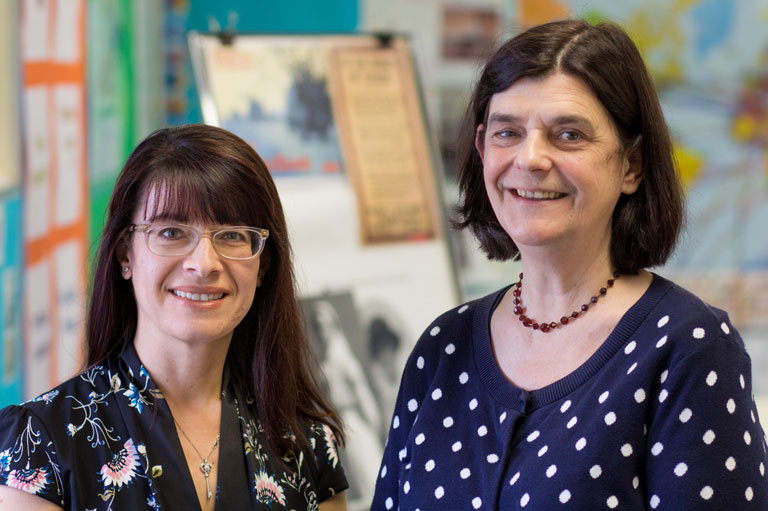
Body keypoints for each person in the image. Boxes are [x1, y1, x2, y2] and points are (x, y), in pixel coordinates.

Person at [372, 19, 768, 510]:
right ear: (481, 149)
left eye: (568, 135)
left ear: (631, 165)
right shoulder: (442, 348)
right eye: (507, 132)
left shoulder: (688, 348)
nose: (530, 158)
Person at [0, 124, 348, 510]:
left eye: (232, 235)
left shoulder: (306, 443)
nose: (204, 264)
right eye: (170, 232)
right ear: (124, 255)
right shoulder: (41, 445)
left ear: (262, 265)